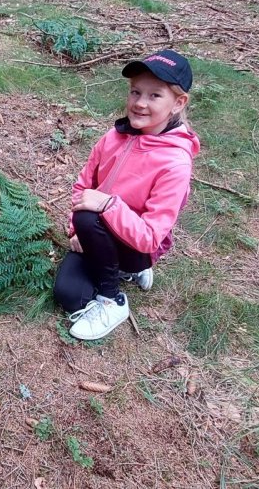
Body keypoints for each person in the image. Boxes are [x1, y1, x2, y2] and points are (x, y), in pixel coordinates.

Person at [53, 50, 200, 341]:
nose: (140, 103)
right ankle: (114, 267)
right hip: (95, 233)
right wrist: (75, 229)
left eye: (155, 95)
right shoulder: (114, 137)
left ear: (178, 103)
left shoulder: (175, 163)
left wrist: (107, 205)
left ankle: (112, 299)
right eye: (135, 92)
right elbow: (83, 185)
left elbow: (149, 237)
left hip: (136, 247)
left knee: (88, 215)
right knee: (69, 295)